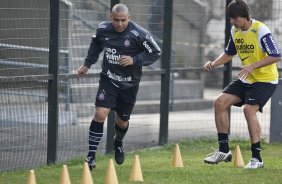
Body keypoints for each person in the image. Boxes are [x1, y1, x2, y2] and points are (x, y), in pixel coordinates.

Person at [77, 3, 161, 170]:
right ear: (110, 17)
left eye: (123, 20)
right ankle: (91, 156)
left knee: (122, 122)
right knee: (100, 113)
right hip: (108, 80)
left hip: (129, 84)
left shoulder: (139, 34)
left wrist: (134, 60)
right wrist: (87, 64)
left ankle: (119, 142)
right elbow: (96, 44)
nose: (120, 23)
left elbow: (156, 52)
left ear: (129, 18)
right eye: (116, 20)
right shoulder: (103, 29)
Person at [203, 0, 281, 169]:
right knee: (219, 103)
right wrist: (213, 63)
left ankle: (257, 158)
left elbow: (276, 55)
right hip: (247, 78)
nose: (232, 22)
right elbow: (229, 53)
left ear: (245, 17)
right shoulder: (235, 30)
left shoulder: (261, 30)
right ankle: (224, 151)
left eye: (235, 19)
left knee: (248, 109)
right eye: (231, 19)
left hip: (265, 79)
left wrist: (252, 66)